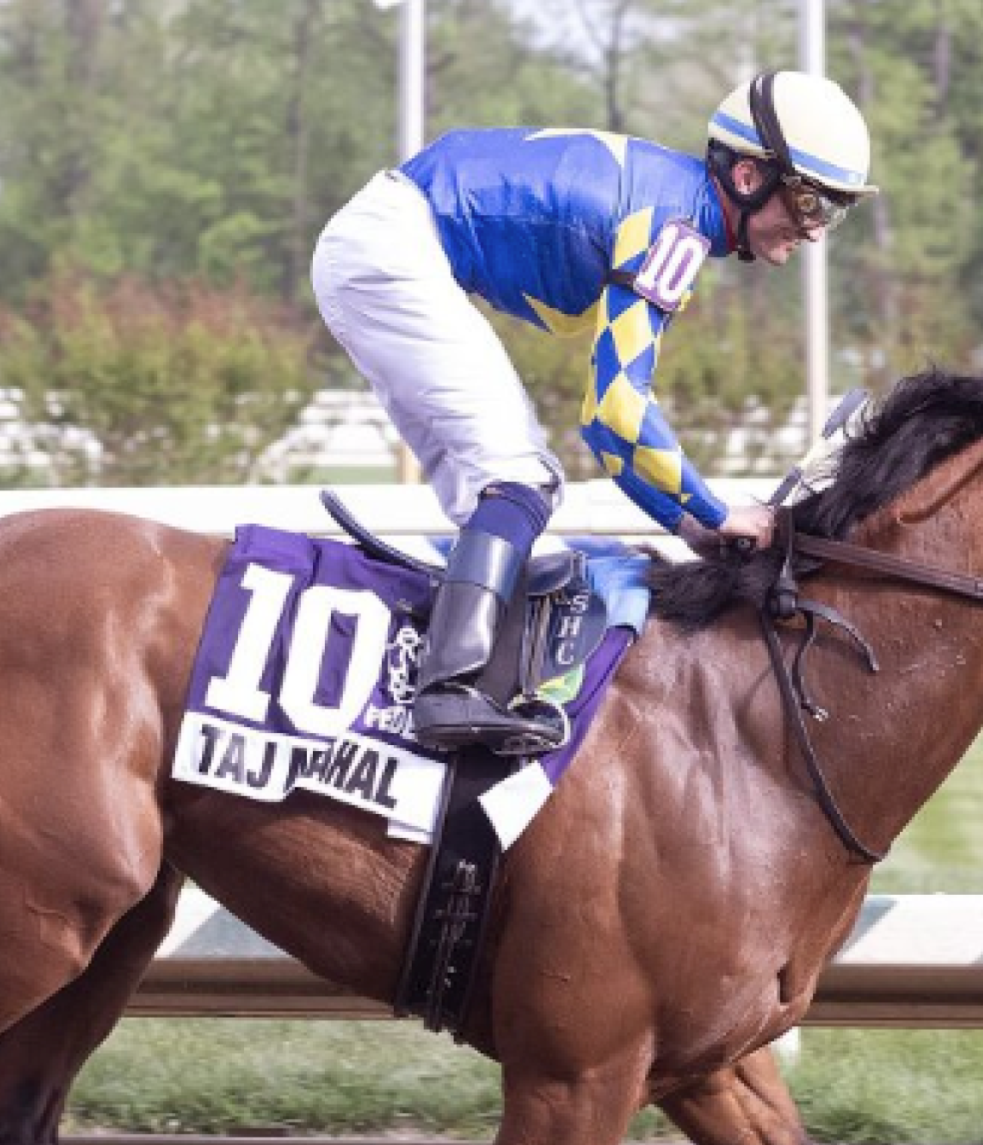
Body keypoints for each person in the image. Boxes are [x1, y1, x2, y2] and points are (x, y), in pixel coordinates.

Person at [313, 69, 877, 754]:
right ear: (752, 177)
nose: (815, 233)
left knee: (511, 488)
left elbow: (604, 431)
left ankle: (459, 672)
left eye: (833, 215)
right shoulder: (677, 230)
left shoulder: (677, 207)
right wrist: (718, 510)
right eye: (813, 205)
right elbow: (615, 408)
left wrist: (689, 522)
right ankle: (447, 692)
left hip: (386, 238)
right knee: (517, 478)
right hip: (395, 246)